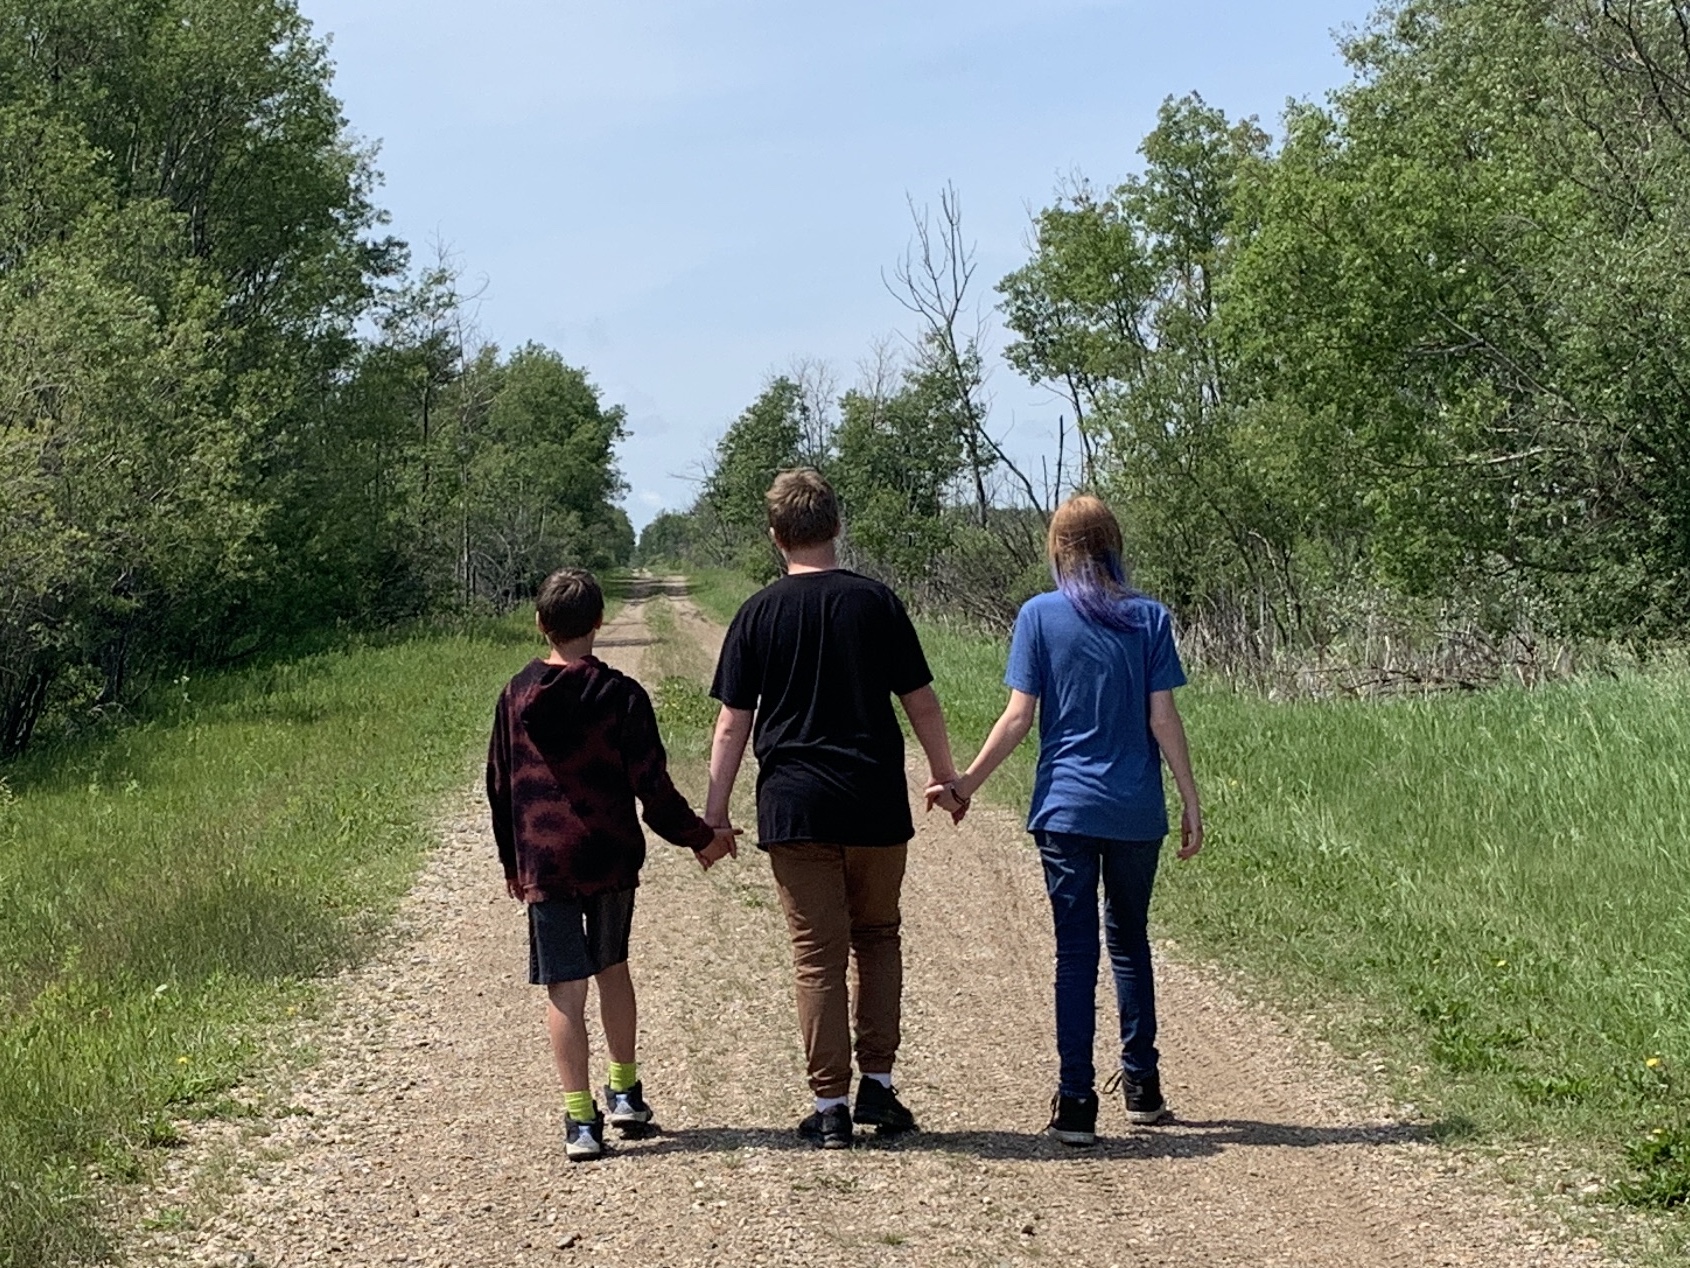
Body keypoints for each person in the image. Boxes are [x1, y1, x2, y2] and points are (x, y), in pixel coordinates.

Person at [931, 495, 1202, 1147]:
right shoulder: (1148, 618)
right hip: (1137, 809)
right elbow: (1162, 718)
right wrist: (1191, 800)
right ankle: (1142, 1086)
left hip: (1066, 809)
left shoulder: (1038, 616)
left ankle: (1077, 1101)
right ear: (1113, 546)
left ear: (1057, 550)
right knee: (1130, 942)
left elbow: (1019, 716)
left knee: (1076, 953)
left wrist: (967, 781)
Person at [704, 469, 961, 1149]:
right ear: (836, 525)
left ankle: (829, 1107)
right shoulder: (876, 603)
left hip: (796, 808)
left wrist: (715, 812)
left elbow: (733, 724)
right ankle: (877, 1087)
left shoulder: (759, 612)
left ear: (775, 536)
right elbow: (922, 702)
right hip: (873, 799)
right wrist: (946, 777)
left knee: (817, 956)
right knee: (877, 938)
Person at [486, 567, 738, 1162]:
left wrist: (511, 861)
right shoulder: (622, 695)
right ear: (599, 622)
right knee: (612, 967)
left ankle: (580, 1122)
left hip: (545, 861)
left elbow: (500, 785)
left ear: (540, 623)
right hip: (608, 856)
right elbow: (651, 787)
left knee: (563, 990)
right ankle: (624, 1091)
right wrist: (701, 838)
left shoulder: (515, 695)